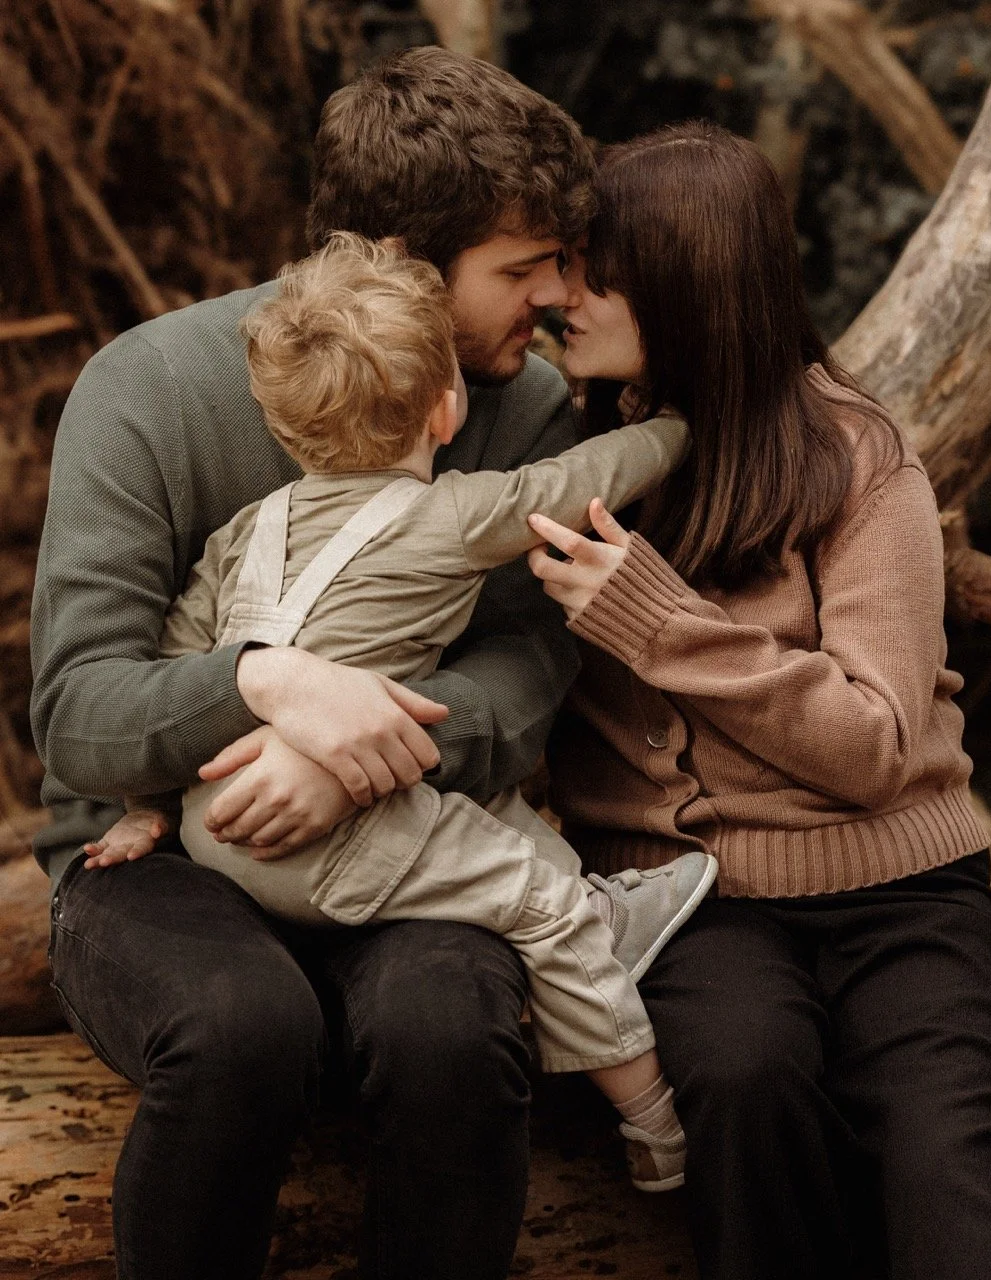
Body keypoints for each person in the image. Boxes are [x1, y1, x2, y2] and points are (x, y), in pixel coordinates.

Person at [33, 47, 599, 1280]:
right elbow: (76, 713)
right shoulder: (147, 388)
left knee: (450, 1027)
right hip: (157, 862)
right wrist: (264, 681)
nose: (554, 297)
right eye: (521, 267)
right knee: (244, 1024)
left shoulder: (528, 406)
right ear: (406, 265)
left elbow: (527, 664)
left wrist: (349, 753)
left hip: (415, 841)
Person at [82, 231, 717, 1188]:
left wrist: (148, 808)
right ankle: (655, 1126)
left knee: (478, 820)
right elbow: (577, 485)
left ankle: (590, 904)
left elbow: (180, 667)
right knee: (538, 909)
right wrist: (677, 426)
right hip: (317, 847)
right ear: (447, 406)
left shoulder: (244, 532)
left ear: (284, 426)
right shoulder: (453, 516)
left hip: (218, 828)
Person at [527, 120, 991, 1280]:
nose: (564, 295)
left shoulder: (858, 460)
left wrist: (658, 623)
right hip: (689, 904)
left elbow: (873, 745)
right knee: (747, 1082)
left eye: (598, 270)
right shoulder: (557, 453)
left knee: (941, 1160)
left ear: (689, 282)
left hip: (903, 893)